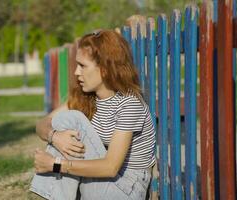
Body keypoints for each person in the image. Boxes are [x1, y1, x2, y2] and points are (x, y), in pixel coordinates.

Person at [30, 29, 156, 200]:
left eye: (82, 66)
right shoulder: (87, 96)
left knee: (71, 118)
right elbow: (42, 123)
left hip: (127, 189)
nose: (76, 72)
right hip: (104, 182)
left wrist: (55, 165)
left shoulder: (129, 104)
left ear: (105, 68)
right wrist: (54, 136)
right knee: (63, 120)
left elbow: (110, 167)